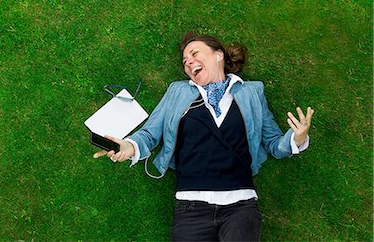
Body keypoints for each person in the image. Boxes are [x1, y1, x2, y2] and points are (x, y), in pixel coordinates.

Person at [93, 32, 315, 241]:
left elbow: (274, 144)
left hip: (240, 205)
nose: (188, 62)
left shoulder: (251, 92)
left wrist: (297, 138)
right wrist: (128, 146)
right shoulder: (178, 91)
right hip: (190, 208)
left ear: (218, 55)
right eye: (184, 61)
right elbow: (151, 133)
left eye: (195, 53)